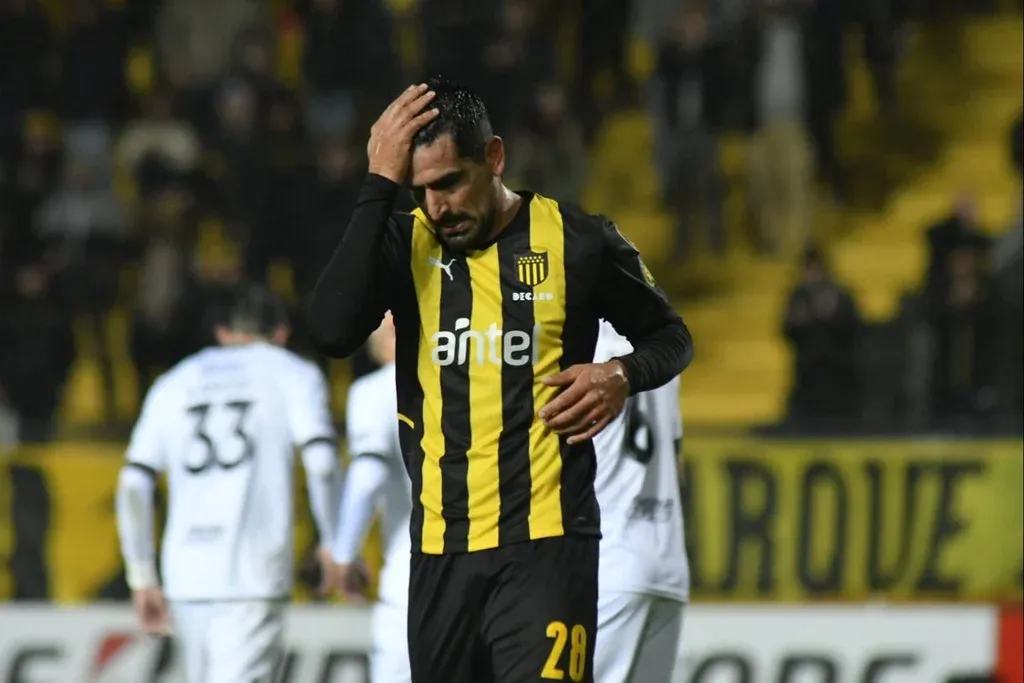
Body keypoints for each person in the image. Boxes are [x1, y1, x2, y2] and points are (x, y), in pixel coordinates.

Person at [308, 75, 693, 683]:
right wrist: (378, 183)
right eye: (419, 190)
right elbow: (329, 331)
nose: (437, 207)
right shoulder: (406, 244)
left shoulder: (576, 240)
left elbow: (671, 336)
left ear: (493, 157)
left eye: (449, 182)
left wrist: (621, 373)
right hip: (439, 554)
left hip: (547, 547)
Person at [115, 283, 342, 683]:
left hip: (185, 573)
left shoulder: (174, 381)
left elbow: (134, 483)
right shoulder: (293, 372)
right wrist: (333, 542)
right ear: (281, 333)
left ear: (222, 333)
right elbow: (322, 463)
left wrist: (142, 575)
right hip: (254, 570)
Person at [591, 321, 688, 683]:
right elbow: (676, 462)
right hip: (667, 561)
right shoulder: (659, 351)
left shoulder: (576, 346)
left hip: (606, 563)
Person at [331, 312, 413, 683]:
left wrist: (344, 553)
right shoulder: (473, 381)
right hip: (493, 560)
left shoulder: (376, 391)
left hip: (412, 568)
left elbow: (368, 475)